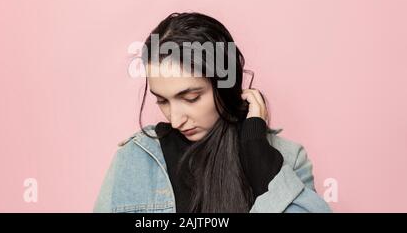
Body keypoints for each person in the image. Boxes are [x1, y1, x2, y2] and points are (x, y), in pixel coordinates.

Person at [94, 12, 332, 213]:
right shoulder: (137, 158)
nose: (175, 120)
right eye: (162, 101)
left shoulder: (288, 157)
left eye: (191, 98)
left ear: (224, 85)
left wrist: (257, 152)